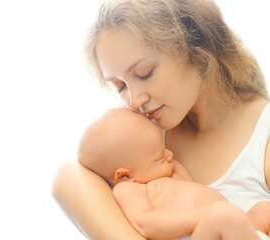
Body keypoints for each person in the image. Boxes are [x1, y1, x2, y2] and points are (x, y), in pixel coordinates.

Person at [51, 0, 270, 239]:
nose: (134, 101)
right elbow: (66, 177)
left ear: (196, 52)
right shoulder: (133, 140)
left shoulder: (262, 139)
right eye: (120, 86)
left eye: (145, 73)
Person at [78, 107, 270, 240]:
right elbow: (146, 224)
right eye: (160, 157)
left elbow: (194, 188)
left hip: (231, 230)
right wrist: (200, 215)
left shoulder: (169, 176)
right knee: (225, 215)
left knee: (264, 209)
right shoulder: (130, 189)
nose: (170, 155)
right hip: (202, 233)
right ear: (125, 176)